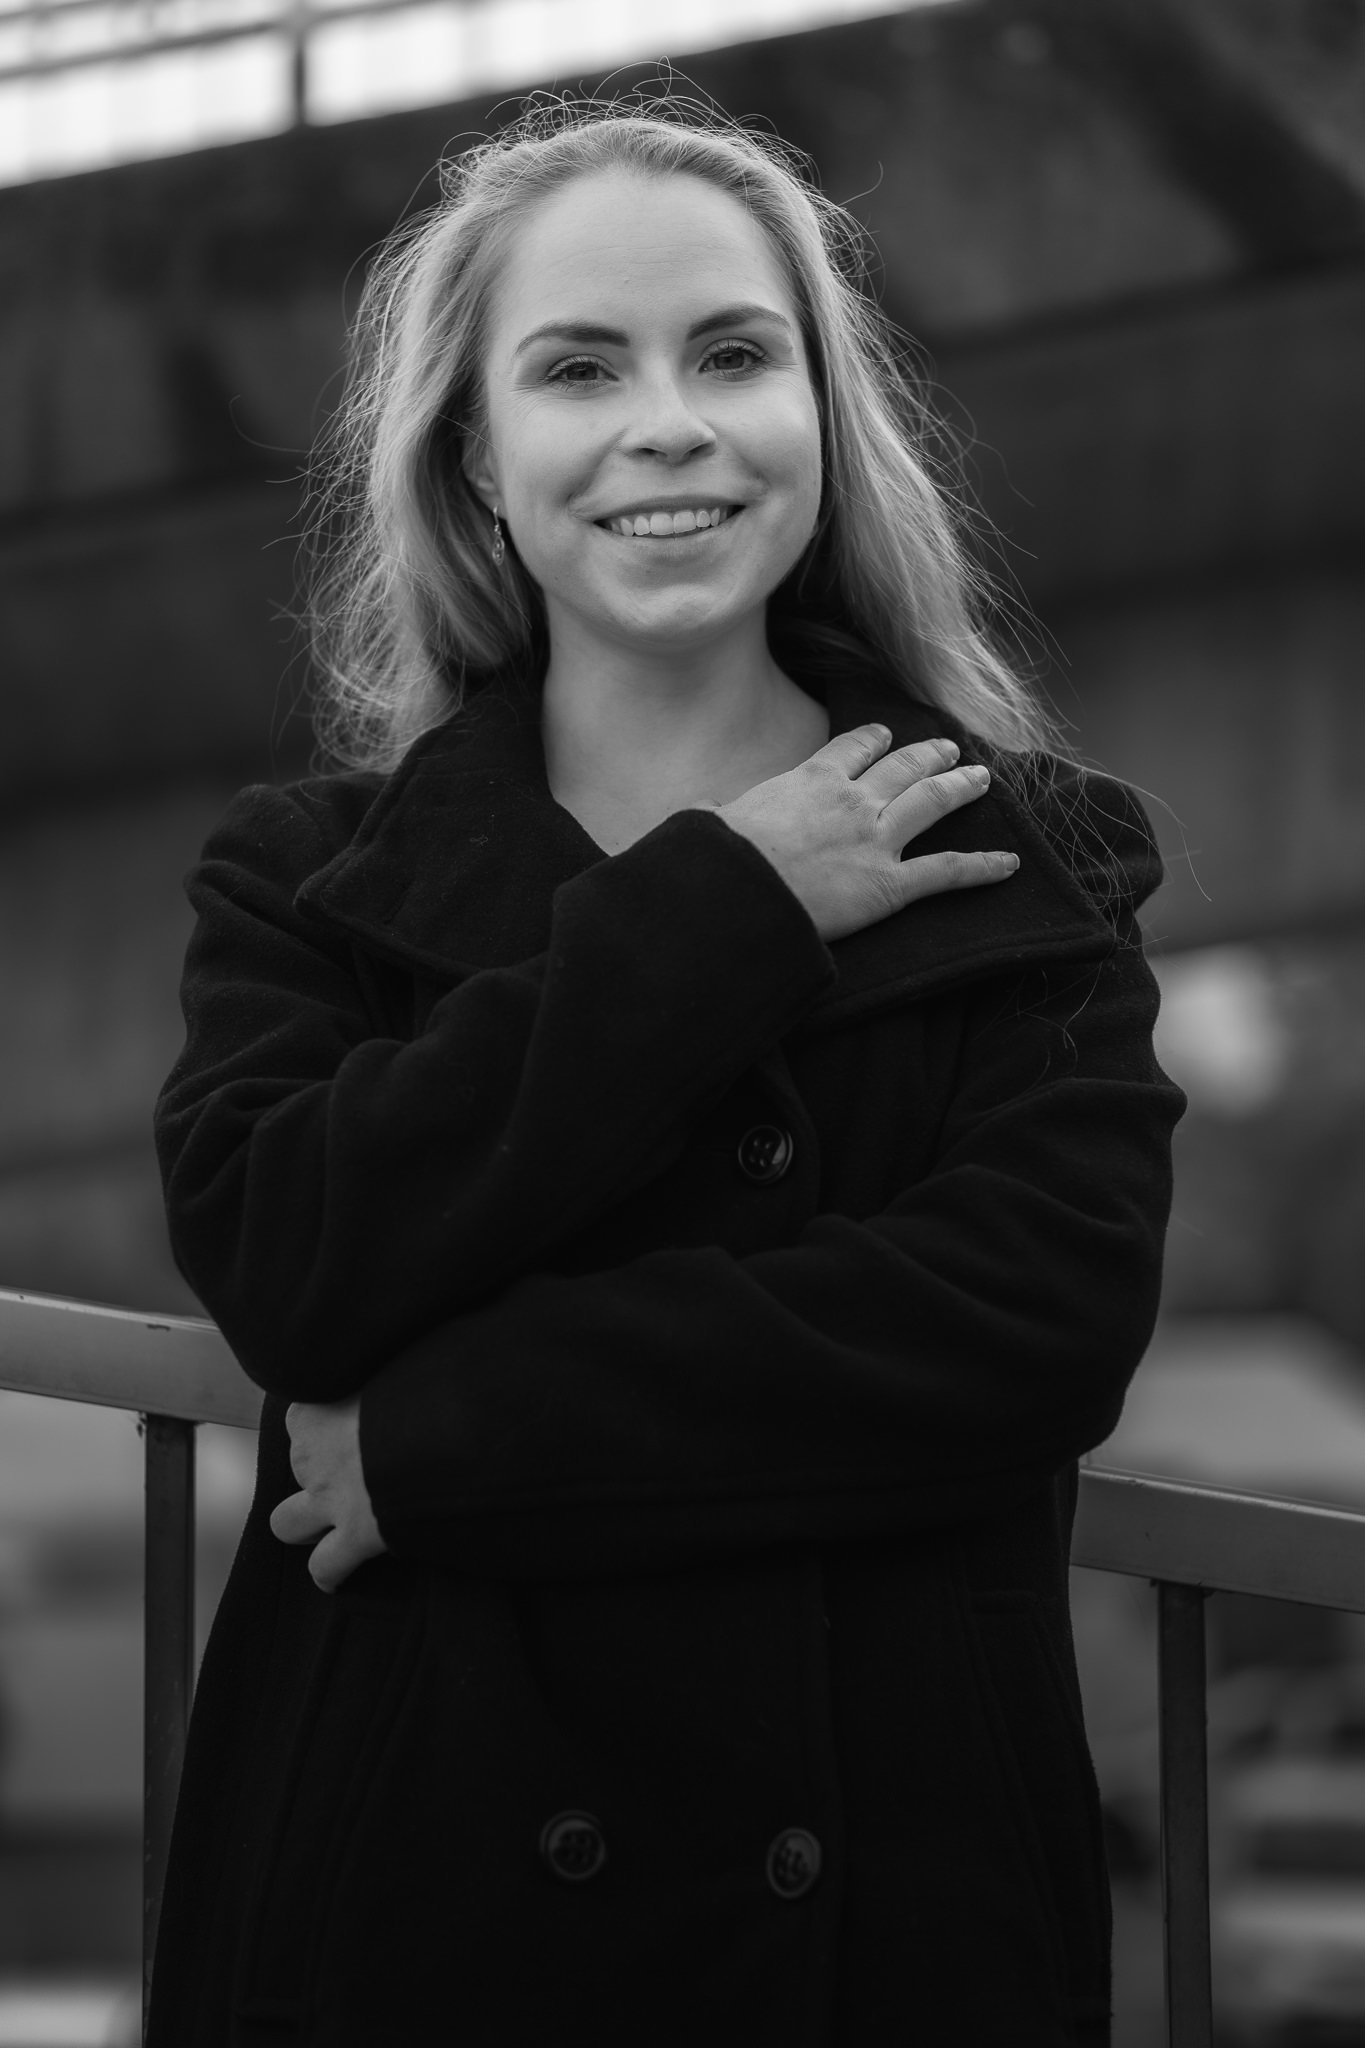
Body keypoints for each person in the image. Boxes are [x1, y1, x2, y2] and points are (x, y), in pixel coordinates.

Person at [149, 100, 1184, 2048]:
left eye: (730, 353)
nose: (667, 424)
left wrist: (447, 1442)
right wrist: (735, 903)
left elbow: (1026, 1322)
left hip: (887, 1918)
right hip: (414, 1909)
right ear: (475, 456)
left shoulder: (1030, 852)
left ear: (819, 409)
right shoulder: (310, 875)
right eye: (575, 368)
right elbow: (287, 1251)